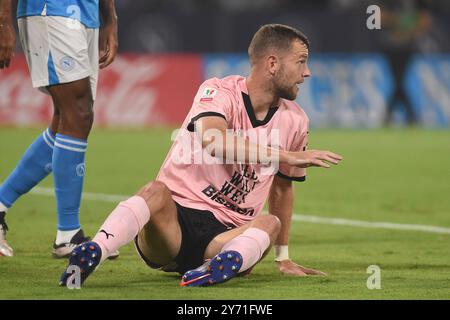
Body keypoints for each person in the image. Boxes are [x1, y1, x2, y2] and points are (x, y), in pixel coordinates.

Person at [60, 23, 343, 287]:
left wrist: (283, 257)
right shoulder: (218, 91)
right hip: (172, 226)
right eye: (301, 61)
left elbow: (282, 191)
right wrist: (285, 155)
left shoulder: (296, 121)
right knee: (155, 191)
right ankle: (95, 250)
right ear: (273, 63)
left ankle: (212, 270)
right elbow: (214, 140)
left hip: (225, 235)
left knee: (270, 222)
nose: (306, 73)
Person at [0, 0, 119, 258]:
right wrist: (3, 22)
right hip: (50, 10)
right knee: (78, 113)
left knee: (68, 119)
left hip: (87, 15)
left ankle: (0, 204)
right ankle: (68, 235)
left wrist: (110, 20)